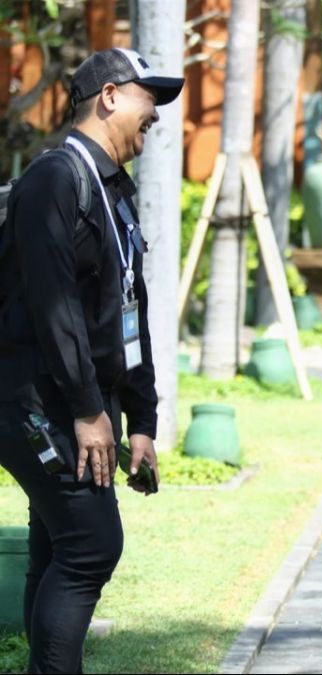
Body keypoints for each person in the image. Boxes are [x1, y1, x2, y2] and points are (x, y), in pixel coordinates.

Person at [0, 48, 183, 672]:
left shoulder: (112, 189)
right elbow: (55, 309)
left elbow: (126, 309)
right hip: (36, 402)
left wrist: (143, 419)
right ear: (108, 96)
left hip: (74, 402)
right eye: (146, 97)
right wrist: (86, 411)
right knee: (90, 546)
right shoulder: (55, 179)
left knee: (59, 546)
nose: (155, 113)